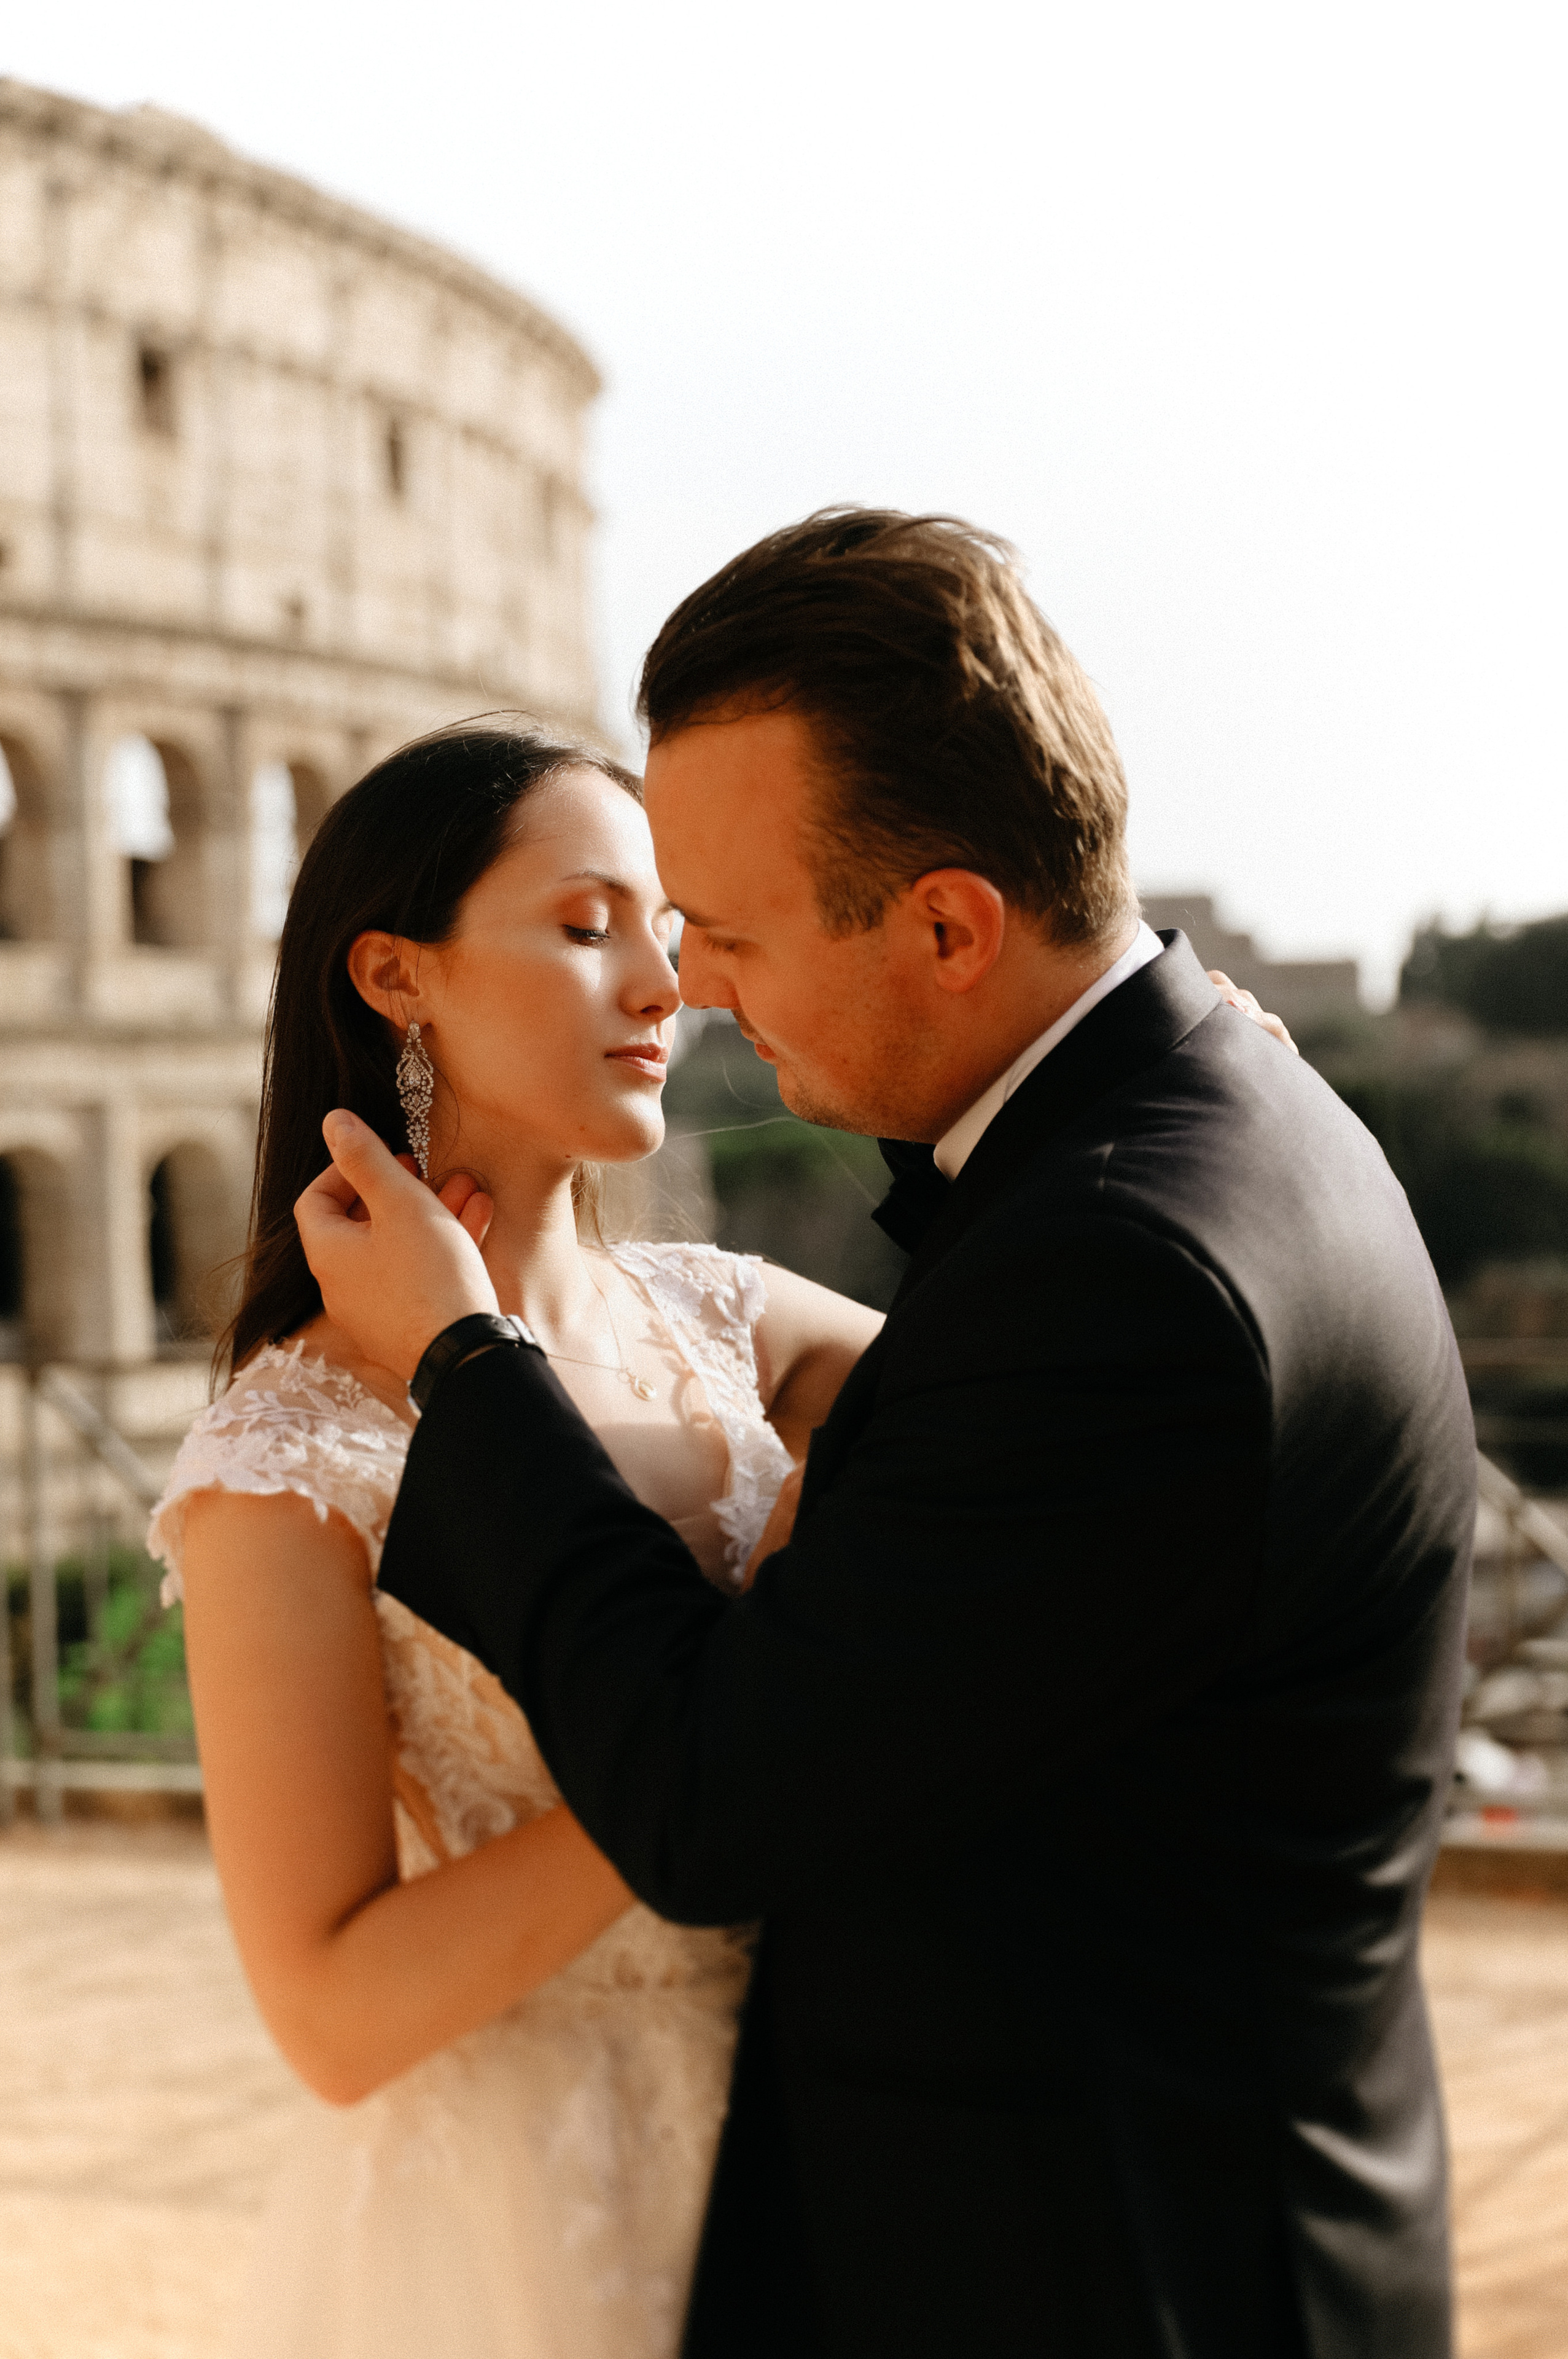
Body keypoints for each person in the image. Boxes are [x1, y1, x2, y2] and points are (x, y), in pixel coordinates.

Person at [298, 510, 1475, 2359]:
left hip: (1105, 2275)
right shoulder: (1225, 1119)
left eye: (724, 931)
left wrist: (463, 1361)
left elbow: (714, 1800)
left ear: (947, 924)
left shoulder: (1123, 1271)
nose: (692, 988)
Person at [147, 723, 885, 2359]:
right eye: (584, 924)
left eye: (666, 930)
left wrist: (1171, 1092)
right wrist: (718, 1740)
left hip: (827, 2148)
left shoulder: (733, 1321)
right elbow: (332, 2015)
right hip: (518, 2230)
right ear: (395, 975)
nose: (664, 987)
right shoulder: (288, 1460)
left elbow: (1026, 1391)